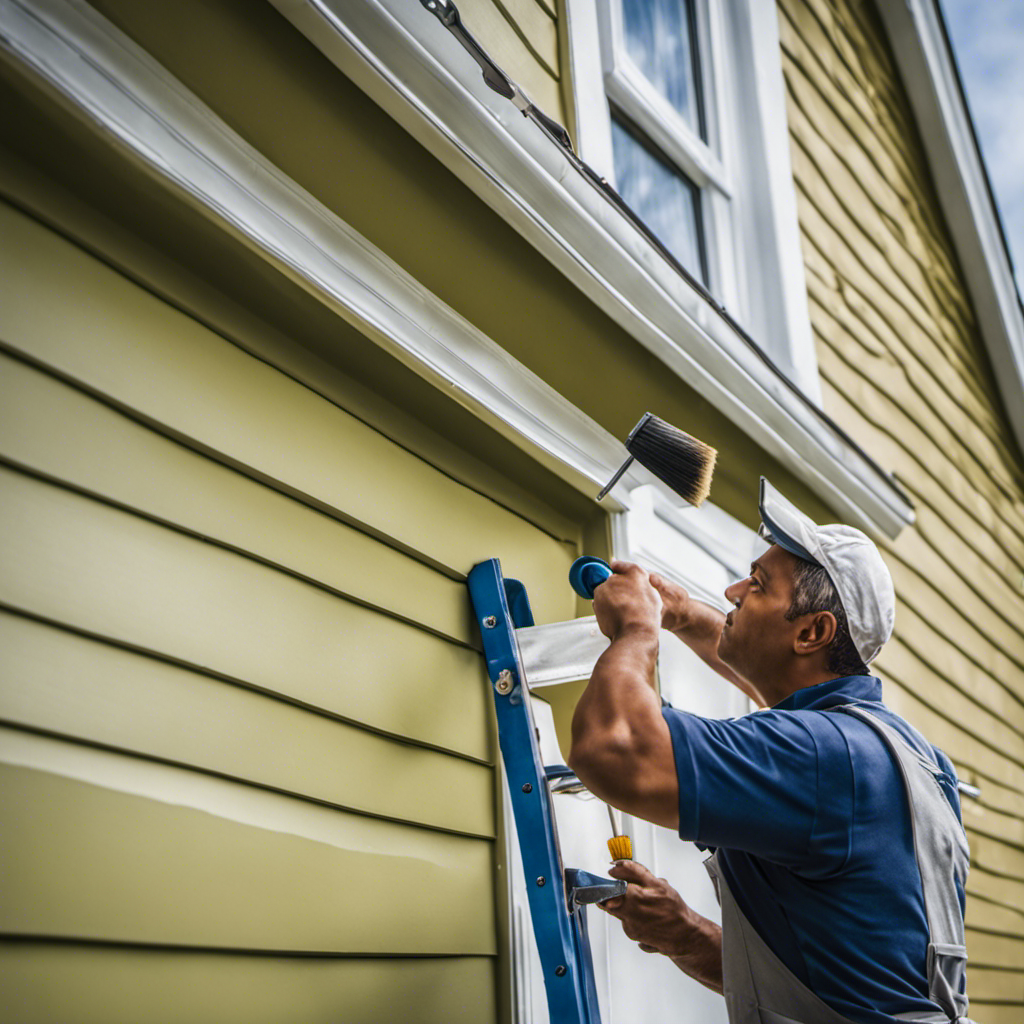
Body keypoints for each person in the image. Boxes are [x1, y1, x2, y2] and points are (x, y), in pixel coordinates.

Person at [567, 478, 973, 1024]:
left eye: (757, 585)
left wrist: (637, 630)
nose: (733, 592)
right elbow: (831, 991)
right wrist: (686, 937)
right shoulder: (909, 759)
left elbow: (612, 749)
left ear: (811, 633)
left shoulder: (821, 758)